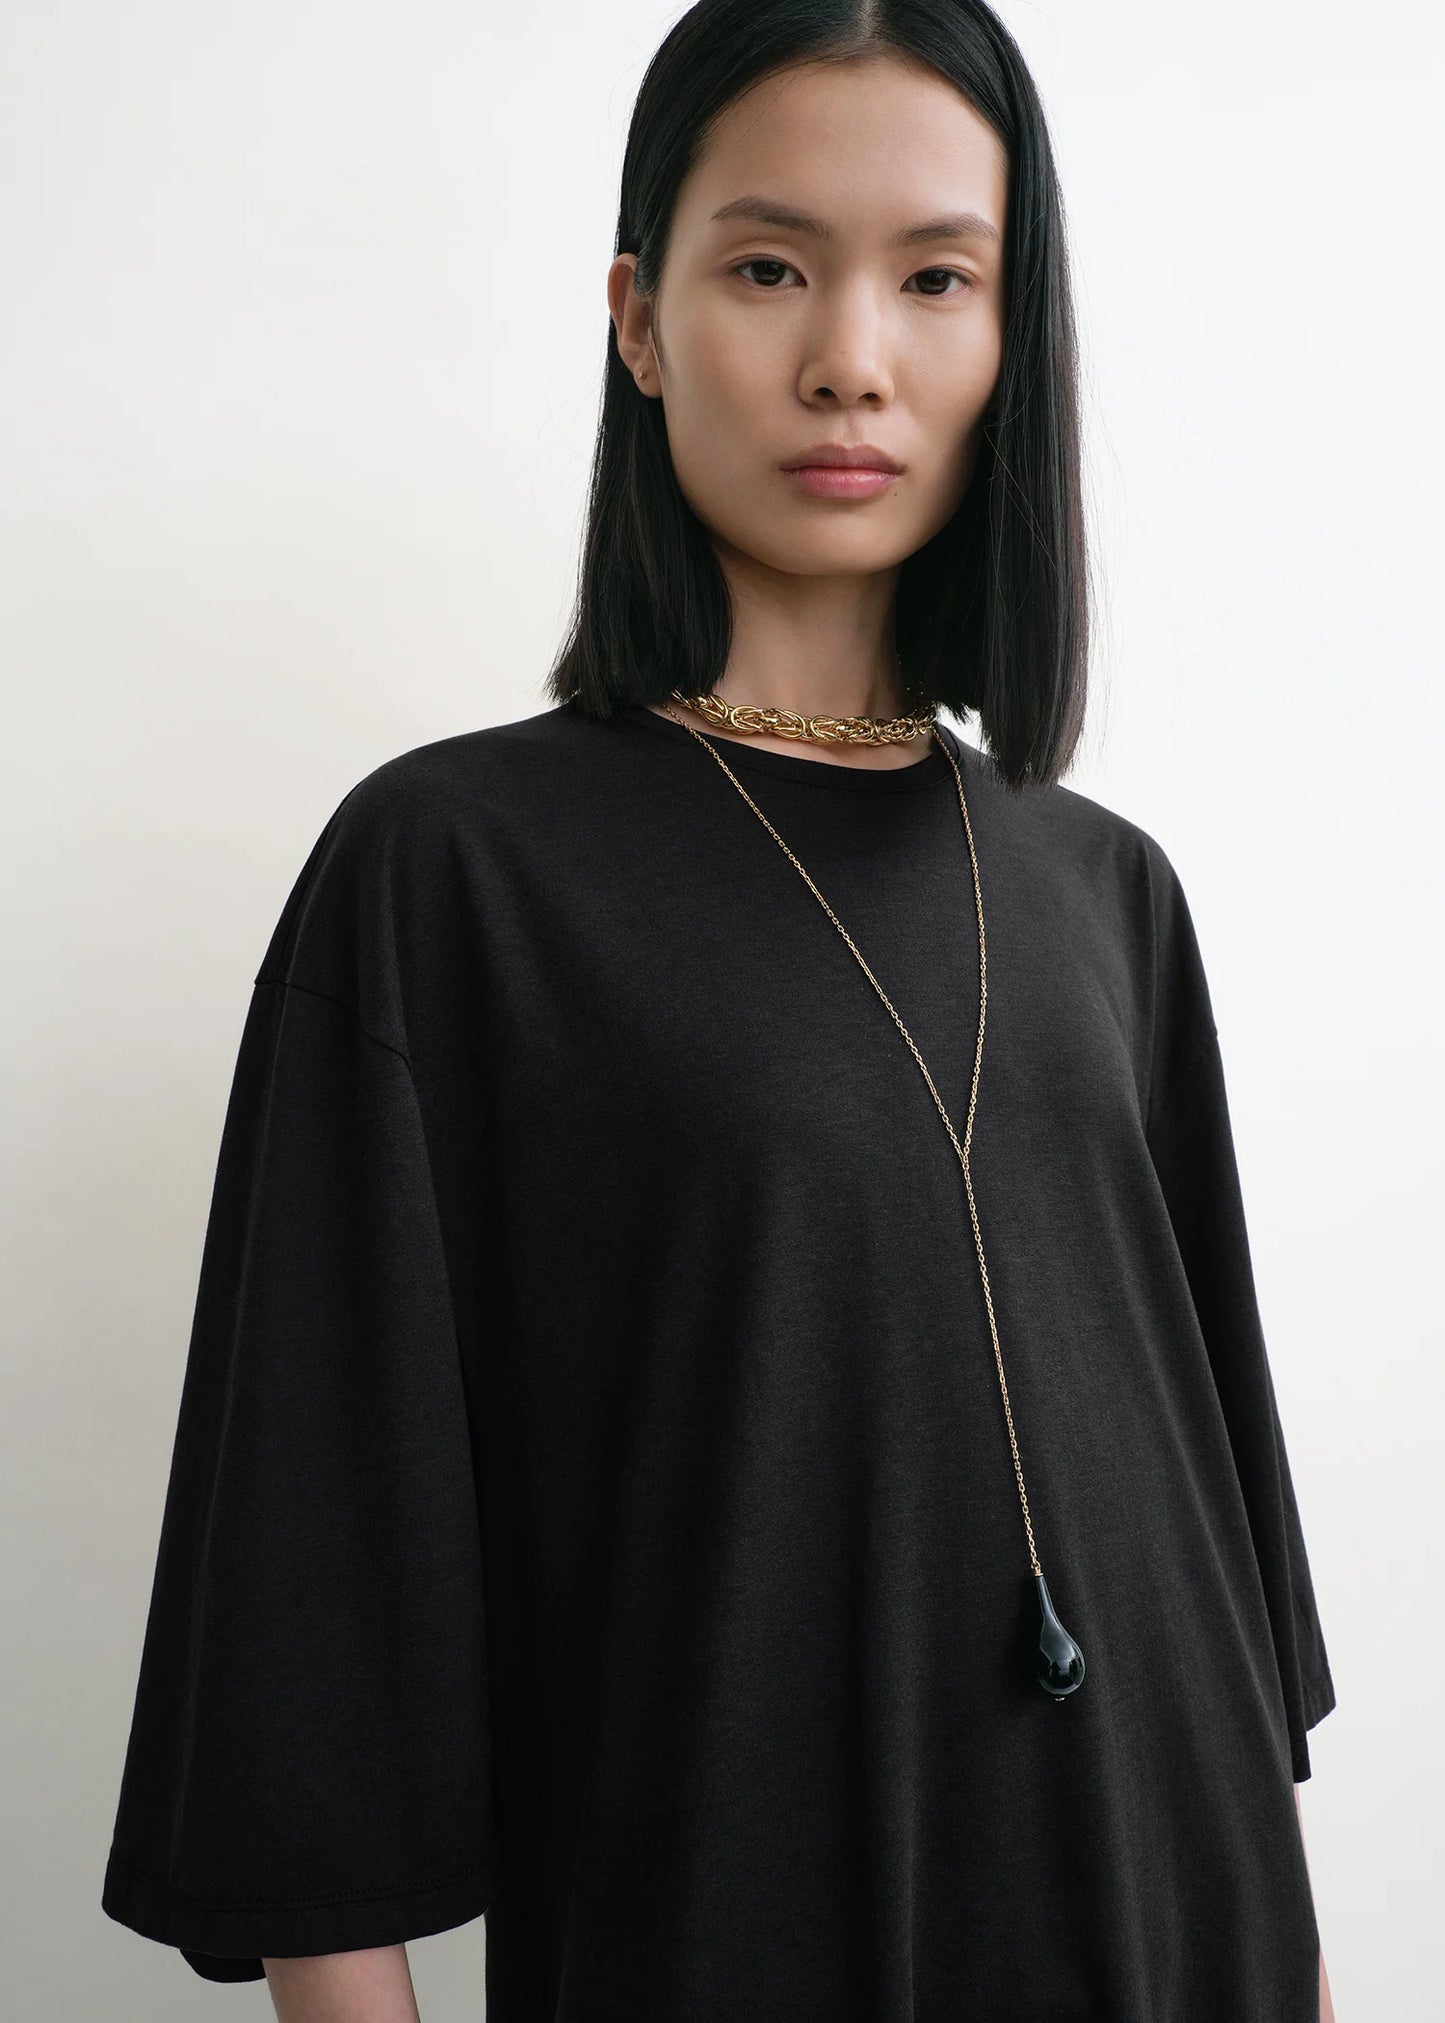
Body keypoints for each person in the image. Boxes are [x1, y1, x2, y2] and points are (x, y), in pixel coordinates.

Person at [100, 3, 1338, 2018]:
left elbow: (1226, 1607)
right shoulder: (455, 875)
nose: (851, 355)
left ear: (1014, 335)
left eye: (937, 279)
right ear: (641, 318)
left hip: (1184, 1940)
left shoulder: (1108, 891)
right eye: (769, 268)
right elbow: (310, 1639)